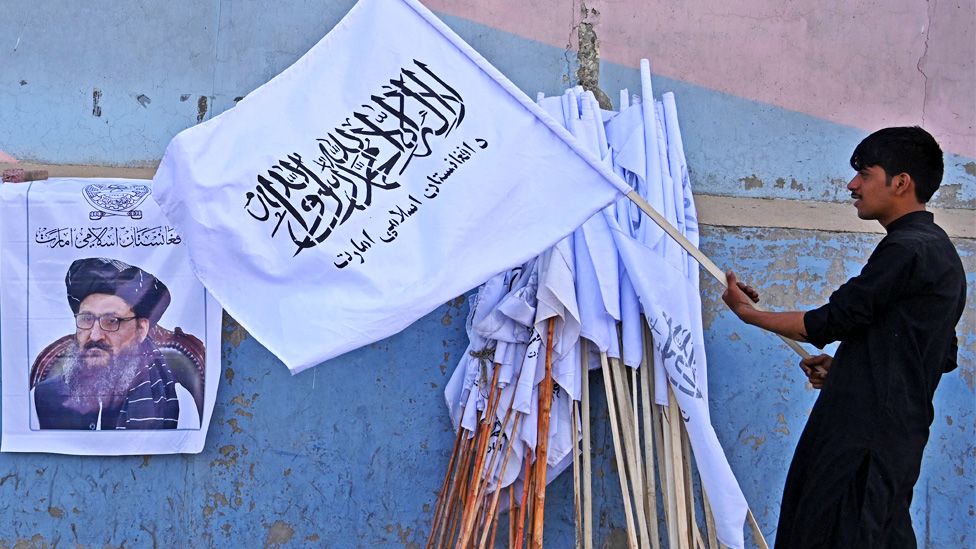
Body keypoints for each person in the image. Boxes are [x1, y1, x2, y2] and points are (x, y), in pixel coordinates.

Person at [721, 126, 966, 548]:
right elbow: (925, 355)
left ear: (901, 182)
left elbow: (829, 322)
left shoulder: (906, 250)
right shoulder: (937, 251)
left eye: (865, 174)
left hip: (862, 444)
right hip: (891, 441)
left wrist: (749, 314)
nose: (852, 185)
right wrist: (850, 370)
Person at [33, 258, 185, 430]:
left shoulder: (179, 401)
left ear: (141, 330)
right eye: (86, 319)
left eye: (112, 321)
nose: (95, 335)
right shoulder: (42, 397)